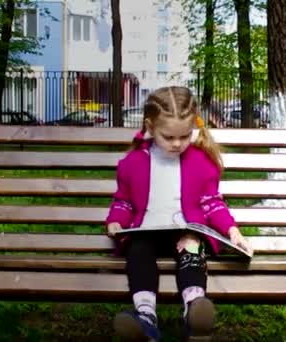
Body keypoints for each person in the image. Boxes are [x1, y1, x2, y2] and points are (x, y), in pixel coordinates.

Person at [106, 86, 253, 341]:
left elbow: (213, 203)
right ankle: (145, 317)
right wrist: (116, 221)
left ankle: (195, 310)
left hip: (186, 231)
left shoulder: (200, 162)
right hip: (147, 233)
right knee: (138, 249)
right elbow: (124, 201)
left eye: (185, 136)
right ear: (150, 127)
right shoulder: (132, 164)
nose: (177, 144)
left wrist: (232, 231)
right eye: (169, 137)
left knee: (191, 247)